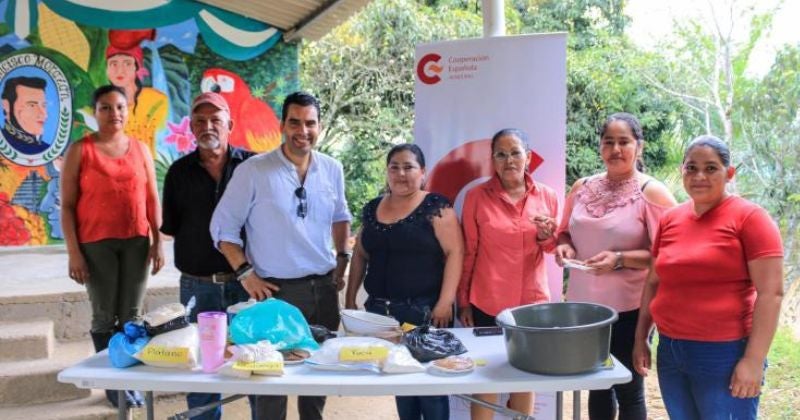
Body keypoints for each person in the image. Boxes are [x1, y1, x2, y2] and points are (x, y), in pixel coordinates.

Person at [210, 91, 351, 420]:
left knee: (317, 380)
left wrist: (342, 260)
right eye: (295, 122)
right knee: (270, 384)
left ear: (320, 126)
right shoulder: (254, 170)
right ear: (281, 126)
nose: (303, 130)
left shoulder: (332, 168)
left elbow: (341, 216)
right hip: (275, 293)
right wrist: (246, 274)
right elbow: (222, 229)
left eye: (310, 123)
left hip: (323, 291)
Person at [633, 135, 784, 420]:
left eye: (711, 168)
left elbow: (771, 293)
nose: (699, 176)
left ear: (729, 173)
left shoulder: (750, 218)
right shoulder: (671, 218)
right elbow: (654, 281)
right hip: (671, 350)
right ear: (682, 171)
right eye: (691, 167)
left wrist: (753, 360)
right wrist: (641, 337)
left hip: (724, 353)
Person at [554, 112, 676, 420]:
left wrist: (620, 259)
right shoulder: (582, 187)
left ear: (639, 148)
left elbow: (673, 253)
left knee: (628, 388)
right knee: (597, 385)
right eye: (609, 142)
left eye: (624, 142)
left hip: (630, 309)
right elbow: (564, 231)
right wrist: (564, 245)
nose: (616, 149)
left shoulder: (652, 192)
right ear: (600, 147)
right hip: (583, 309)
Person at [60, 85, 164, 408]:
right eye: (105, 108)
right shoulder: (81, 150)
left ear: (127, 110)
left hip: (136, 242)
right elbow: (66, 206)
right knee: (105, 316)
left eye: (119, 107)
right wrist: (74, 252)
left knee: (131, 315)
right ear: (95, 112)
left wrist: (158, 241)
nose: (114, 114)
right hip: (95, 244)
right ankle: (112, 387)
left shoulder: (141, 150)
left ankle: (127, 380)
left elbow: (151, 199)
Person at [345, 143, 464, 420]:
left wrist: (445, 303)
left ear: (422, 172)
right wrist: (351, 298)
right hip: (381, 315)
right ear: (386, 172)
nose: (401, 173)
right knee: (400, 382)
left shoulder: (436, 207)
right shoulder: (372, 208)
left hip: (425, 311)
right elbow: (361, 255)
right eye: (394, 167)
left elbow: (455, 253)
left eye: (409, 167)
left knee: (431, 388)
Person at [160, 92, 254, 419]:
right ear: (191, 127)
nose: (208, 126)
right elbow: (170, 227)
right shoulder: (178, 173)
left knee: (256, 359)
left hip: (247, 286)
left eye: (216, 119)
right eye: (200, 120)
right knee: (200, 367)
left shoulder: (253, 167)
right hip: (198, 287)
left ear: (230, 124)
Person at [457, 128, 559, 420]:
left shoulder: (547, 196)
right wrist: (463, 299)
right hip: (488, 300)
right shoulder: (477, 197)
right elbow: (469, 251)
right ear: (493, 160)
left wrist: (545, 236)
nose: (509, 160)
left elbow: (553, 248)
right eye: (501, 154)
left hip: (532, 304)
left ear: (528, 157)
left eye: (515, 152)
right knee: (486, 376)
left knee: (524, 377)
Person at [106, 29, 168, 155]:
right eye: (113, 64)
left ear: (137, 68)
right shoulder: (103, 105)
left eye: (127, 63)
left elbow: (163, 141)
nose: (120, 70)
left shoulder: (156, 100)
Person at [1, 76, 48, 155]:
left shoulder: (47, 150)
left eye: (43, 105)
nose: (44, 114)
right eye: (32, 105)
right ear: (6, 106)